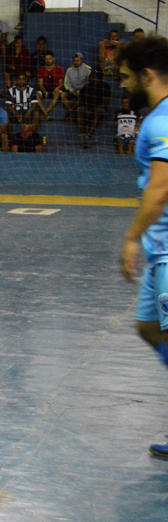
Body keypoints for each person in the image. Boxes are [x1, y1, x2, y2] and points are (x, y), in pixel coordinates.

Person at [117, 36, 168, 457]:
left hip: (167, 248)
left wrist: (132, 238)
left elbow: (161, 187)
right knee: (148, 328)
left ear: (146, 75)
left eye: (126, 77)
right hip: (159, 251)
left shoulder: (162, 120)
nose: (122, 85)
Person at [76, 68, 111, 148]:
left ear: (96, 77)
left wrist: (91, 110)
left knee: (98, 112)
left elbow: (104, 104)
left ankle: (88, 136)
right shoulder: (86, 86)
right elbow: (79, 100)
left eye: (92, 74)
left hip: (99, 109)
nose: (90, 75)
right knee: (80, 110)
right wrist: (70, 113)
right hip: (86, 108)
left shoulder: (105, 86)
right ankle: (83, 135)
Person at [57, 52, 92, 120]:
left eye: (77, 60)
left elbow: (89, 82)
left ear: (81, 60)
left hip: (83, 92)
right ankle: (71, 111)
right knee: (63, 95)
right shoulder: (69, 70)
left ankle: (69, 114)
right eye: (74, 60)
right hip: (72, 91)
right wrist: (72, 91)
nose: (75, 62)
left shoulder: (88, 69)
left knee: (80, 98)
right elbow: (66, 83)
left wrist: (81, 91)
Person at [37, 51, 65, 119]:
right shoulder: (41, 70)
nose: (48, 60)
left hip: (55, 90)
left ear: (53, 59)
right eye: (46, 59)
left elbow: (61, 84)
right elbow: (40, 84)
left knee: (58, 93)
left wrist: (57, 88)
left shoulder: (59, 69)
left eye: (49, 58)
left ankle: (45, 113)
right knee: (36, 95)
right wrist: (44, 91)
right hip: (45, 90)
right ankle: (46, 114)